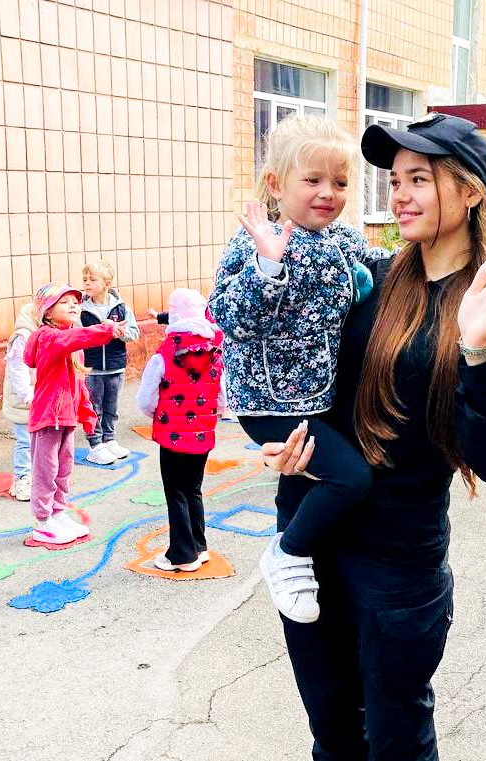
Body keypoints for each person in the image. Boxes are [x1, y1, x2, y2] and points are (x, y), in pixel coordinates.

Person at [259, 113, 486, 760]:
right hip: (309, 538)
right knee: (333, 732)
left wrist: (477, 351)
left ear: (471, 191)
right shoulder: (372, 279)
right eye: (395, 181)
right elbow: (306, 372)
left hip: (396, 566)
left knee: (397, 741)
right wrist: (284, 439)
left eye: (419, 179)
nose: (399, 196)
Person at [208, 115, 385, 624]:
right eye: (312, 179)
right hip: (269, 404)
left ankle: (304, 553)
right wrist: (268, 268)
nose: (328, 192)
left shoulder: (340, 238)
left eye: (340, 182)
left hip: (317, 396)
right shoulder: (255, 241)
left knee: (310, 480)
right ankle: (286, 554)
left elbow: (380, 263)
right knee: (350, 478)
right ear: (275, 184)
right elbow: (228, 317)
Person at [24, 283, 126, 546]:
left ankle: (57, 512)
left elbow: (78, 384)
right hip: (48, 417)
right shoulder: (47, 337)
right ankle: (43, 521)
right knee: (46, 470)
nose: (72, 305)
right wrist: (106, 329)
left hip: (66, 417)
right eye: (64, 302)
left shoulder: (71, 342)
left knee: (63, 469)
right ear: (47, 311)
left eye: (75, 302)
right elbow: (75, 338)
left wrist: (88, 414)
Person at [136, 289, 224, 572]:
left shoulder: (164, 354)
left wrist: (158, 415)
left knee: (176, 492)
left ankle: (182, 555)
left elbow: (145, 399)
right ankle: (199, 545)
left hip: (172, 434)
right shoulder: (214, 352)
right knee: (193, 489)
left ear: (174, 315)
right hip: (203, 434)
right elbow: (222, 398)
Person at [79, 260, 140, 466]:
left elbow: (134, 333)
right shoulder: (81, 310)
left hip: (115, 366)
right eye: (85, 280)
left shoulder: (121, 308)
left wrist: (119, 332)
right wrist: (101, 330)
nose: (87, 283)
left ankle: (109, 439)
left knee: (111, 407)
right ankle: (95, 445)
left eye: (92, 279)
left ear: (107, 283)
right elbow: (77, 336)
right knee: (93, 408)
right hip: (92, 368)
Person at [1, 301, 38, 501]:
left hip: (42, 396)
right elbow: (18, 369)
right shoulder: (23, 336)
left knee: (40, 441)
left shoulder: (49, 331)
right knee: (25, 440)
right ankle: (22, 478)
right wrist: (27, 396)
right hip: (24, 400)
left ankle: (36, 476)